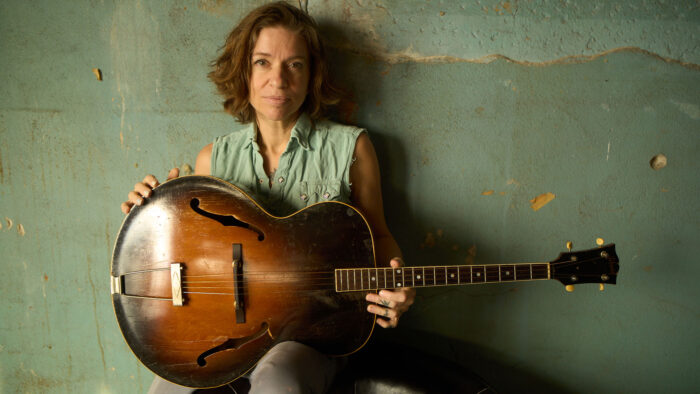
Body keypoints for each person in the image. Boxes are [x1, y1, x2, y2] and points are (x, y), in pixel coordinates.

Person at [121, 2, 415, 393]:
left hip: (311, 335)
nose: (278, 80)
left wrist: (396, 286)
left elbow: (378, 236)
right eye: (263, 62)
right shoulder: (213, 159)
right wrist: (147, 214)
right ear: (244, 71)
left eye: (294, 65)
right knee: (167, 388)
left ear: (312, 76)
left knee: (278, 377)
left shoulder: (352, 148)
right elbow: (181, 256)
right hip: (227, 336)